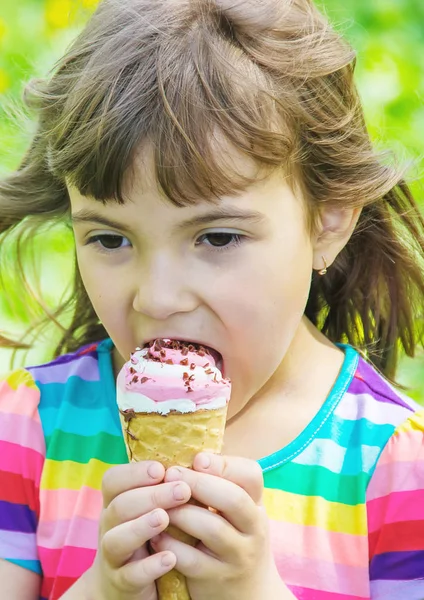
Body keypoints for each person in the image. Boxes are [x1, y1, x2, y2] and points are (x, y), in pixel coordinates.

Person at [1, 0, 424, 598]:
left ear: (328, 221)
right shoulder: (28, 433)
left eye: (218, 236)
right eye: (110, 238)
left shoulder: (397, 470)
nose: (158, 297)